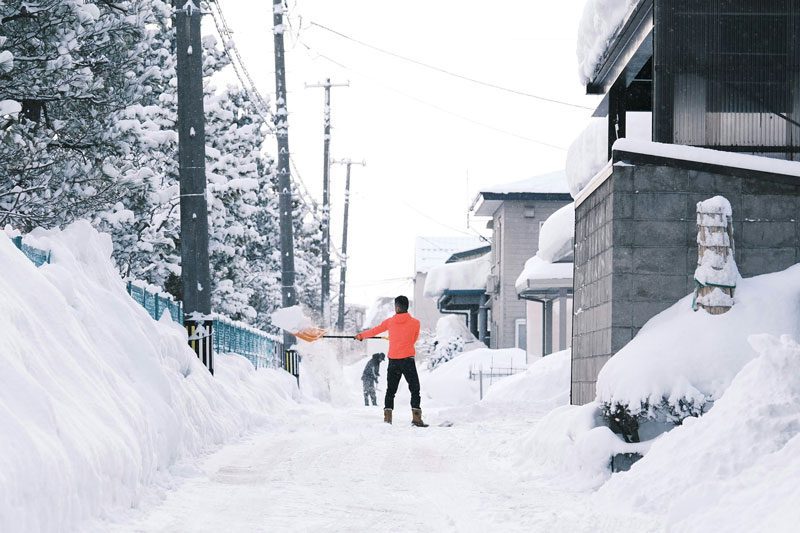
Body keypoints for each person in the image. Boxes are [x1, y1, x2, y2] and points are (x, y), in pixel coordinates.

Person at [355, 295, 428, 427]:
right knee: (415, 389)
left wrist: (361, 336)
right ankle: (416, 418)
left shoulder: (390, 322)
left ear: (397, 307)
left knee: (390, 390)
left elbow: (374, 331)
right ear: (407, 307)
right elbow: (413, 339)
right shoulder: (415, 323)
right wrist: (401, 340)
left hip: (394, 361)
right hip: (408, 360)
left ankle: (388, 419)